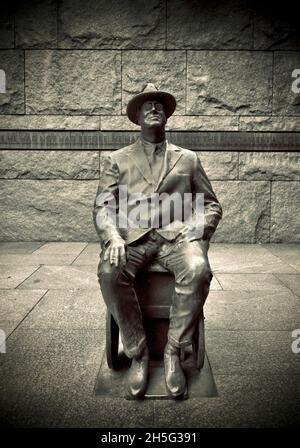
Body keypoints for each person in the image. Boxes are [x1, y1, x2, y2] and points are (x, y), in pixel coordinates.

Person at [93, 83, 222, 399]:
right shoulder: (117, 159)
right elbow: (103, 206)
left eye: (159, 105)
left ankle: (173, 351)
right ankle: (138, 351)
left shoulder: (188, 159)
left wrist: (199, 228)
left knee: (198, 268)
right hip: (133, 239)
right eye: (146, 105)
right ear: (136, 117)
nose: (154, 108)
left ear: (166, 116)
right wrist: (112, 237)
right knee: (109, 271)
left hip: (176, 237)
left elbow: (211, 204)